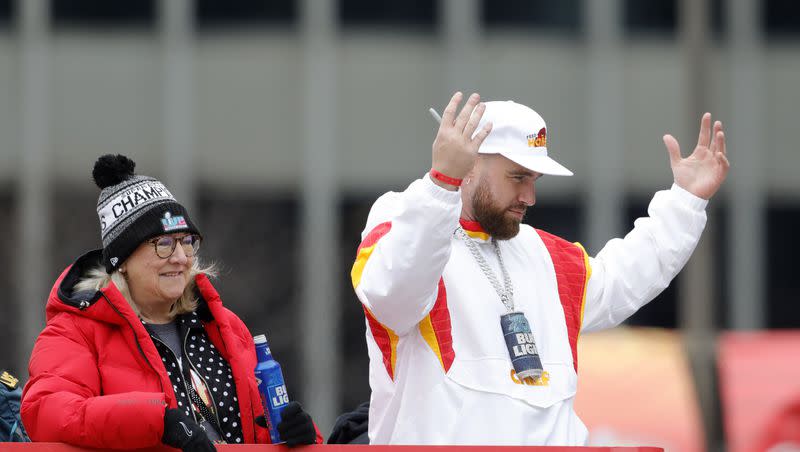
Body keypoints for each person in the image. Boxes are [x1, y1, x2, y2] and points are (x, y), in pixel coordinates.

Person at [350, 92, 729, 445]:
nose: (529, 197)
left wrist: (686, 202)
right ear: (469, 164)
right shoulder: (400, 221)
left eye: (534, 179)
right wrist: (440, 186)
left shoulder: (544, 253)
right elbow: (393, 296)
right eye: (518, 177)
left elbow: (624, 280)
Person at [22, 155, 321, 451]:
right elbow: (45, 411)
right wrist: (154, 420)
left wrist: (299, 437)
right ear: (122, 260)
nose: (180, 258)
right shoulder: (76, 331)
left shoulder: (223, 325)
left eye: (187, 241)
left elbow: (263, 426)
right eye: (163, 244)